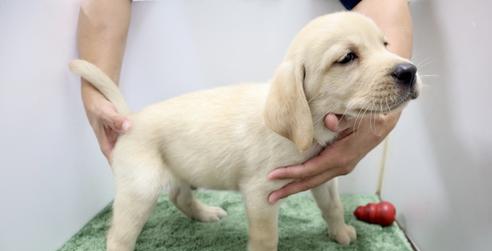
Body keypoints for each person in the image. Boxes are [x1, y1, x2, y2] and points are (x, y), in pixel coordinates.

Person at [77, 0, 413, 203]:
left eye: (385, 45)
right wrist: (95, 94)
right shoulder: (277, 112)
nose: (398, 62)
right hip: (153, 130)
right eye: (347, 58)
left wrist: (384, 115)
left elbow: (385, 1)